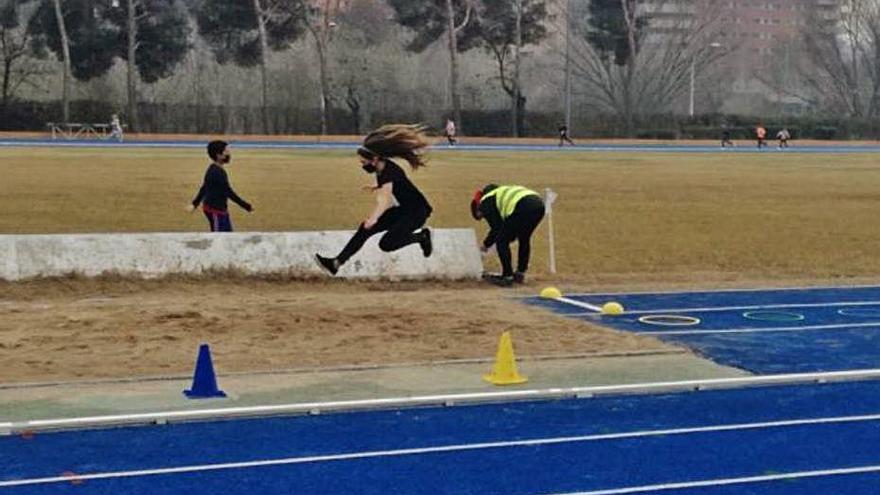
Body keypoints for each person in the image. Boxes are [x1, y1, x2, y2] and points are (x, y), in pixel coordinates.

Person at [314, 124, 434, 276]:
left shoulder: (389, 171)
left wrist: (374, 218)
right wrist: (377, 186)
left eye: (364, 162)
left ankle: (421, 237)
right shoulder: (382, 169)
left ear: (375, 159)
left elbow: (385, 201)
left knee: (387, 243)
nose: (362, 165)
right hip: (405, 210)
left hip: (417, 212)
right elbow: (390, 188)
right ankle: (336, 263)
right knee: (365, 229)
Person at [471, 184, 546, 287]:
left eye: (481, 215)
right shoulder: (500, 193)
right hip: (539, 205)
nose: (484, 216)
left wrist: (485, 245)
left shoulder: (485, 201)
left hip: (522, 206)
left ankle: (507, 276)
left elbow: (497, 229)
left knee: (501, 241)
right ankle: (520, 273)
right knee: (524, 238)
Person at [189, 140, 253, 232]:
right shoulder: (216, 172)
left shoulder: (215, 169)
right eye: (226, 151)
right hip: (215, 211)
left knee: (228, 236)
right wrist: (246, 206)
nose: (229, 154)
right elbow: (228, 192)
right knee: (218, 238)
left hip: (221, 210)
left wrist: (194, 204)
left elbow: (205, 187)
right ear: (219, 155)